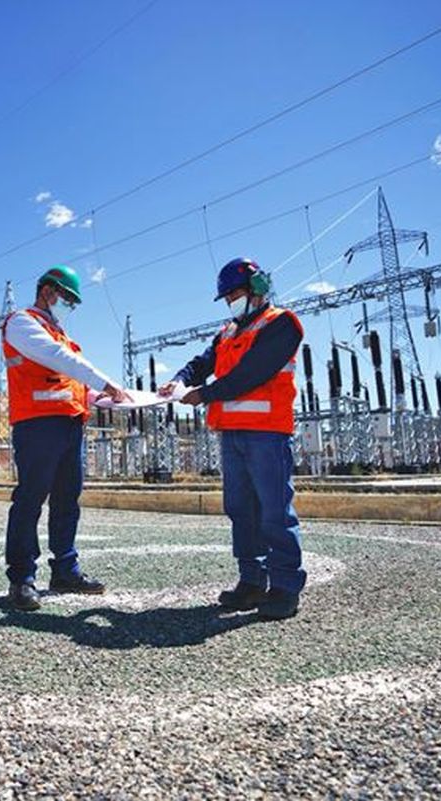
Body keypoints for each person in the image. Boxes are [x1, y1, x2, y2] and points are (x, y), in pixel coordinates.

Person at [158, 257, 306, 620]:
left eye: (235, 294)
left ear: (256, 290)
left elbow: (250, 374)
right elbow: (201, 363)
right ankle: (251, 581)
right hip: (233, 434)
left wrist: (202, 395)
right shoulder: (227, 331)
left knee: (274, 511)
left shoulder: (281, 325)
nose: (230, 302)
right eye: (226, 298)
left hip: (267, 434)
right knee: (241, 510)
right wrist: (180, 379)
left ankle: (285, 587)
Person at [1, 265, 131, 611]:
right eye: (67, 298)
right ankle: (21, 579)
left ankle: (65, 570)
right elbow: (58, 360)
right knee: (30, 500)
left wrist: (104, 398)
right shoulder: (22, 323)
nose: (69, 306)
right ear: (47, 291)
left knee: (66, 500)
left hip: (69, 424)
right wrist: (106, 382)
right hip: (37, 426)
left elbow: (71, 385)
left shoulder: (60, 334)